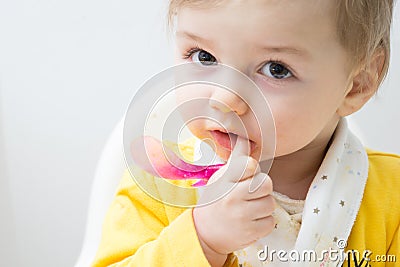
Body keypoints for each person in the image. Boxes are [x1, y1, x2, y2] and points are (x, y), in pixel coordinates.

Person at [92, 0, 399, 266]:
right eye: (203, 56)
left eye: (276, 69)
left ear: (358, 83)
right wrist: (203, 239)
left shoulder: (392, 198)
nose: (224, 99)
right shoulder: (160, 181)